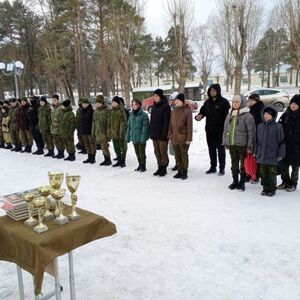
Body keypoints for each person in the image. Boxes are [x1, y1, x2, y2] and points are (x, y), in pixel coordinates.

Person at [195, 83, 230, 175]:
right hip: (209, 130)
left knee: (221, 150)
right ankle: (213, 167)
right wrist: (199, 116)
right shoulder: (207, 102)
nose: (212, 92)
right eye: (211, 90)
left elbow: (228, 117)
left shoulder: (224, 102)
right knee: (211, 149)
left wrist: (227, 130)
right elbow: (202, 112)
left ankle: (221, 168)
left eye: (214, 90)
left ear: (218, 91)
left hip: (220, 131)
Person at [223, 94, 256, 191]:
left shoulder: (247, 116)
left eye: (237, 102)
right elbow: (225, 129)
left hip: (243, 145)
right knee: (234, 164)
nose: (235, 104)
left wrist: (250, 146)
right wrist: (225, 141)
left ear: (242, 103)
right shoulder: (229, 114)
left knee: (243, 164)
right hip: (232, 144)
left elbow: (251, 132)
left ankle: (242, 182)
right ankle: (235, 181)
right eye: (233, 102)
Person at [255, 106, 285, 197]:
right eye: (265, 113)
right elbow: (256, 141)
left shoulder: (278, 127)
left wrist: (280, 154)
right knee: (263, 173)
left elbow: (282, 142)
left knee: (272, 174)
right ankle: (265, 187)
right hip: (262, 155)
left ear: (273, 115)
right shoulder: (260, 126)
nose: (266, 115)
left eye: (268, 114)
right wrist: (256, 151)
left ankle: (272, 188)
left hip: (273, 155)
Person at [278, 95, 300, 192]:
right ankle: (285, 182)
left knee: (295, 165)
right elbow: (279, 127)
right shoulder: (285, 115)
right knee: (283, 164)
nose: (293, 106)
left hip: (297, 146)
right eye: (291, 103)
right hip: (285, 145)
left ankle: (293, 183)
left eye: (295, 104)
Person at [168, 93, 193, 180]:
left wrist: (189, 139)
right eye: (175, 100)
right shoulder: (173, 111)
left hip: (183, 138)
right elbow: (170, 125)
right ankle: (179, 171)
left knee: (183, 155)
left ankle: (184, 172)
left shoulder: (187, 111)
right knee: (177, 156)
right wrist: (170, 136)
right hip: (174, 137)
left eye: (178, 100)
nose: (176, 102)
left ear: (182, 101)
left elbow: (190, 127)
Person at [149, 88, 171, 177]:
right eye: (154, 96)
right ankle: (159, 166)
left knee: (163, 151)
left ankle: (164, 168)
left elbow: (167, 122)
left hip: (162, 134)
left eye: (156, 96)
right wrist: (150, 131)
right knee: (156, 151)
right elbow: (152, 120)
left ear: (161, 96)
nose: (155, 97)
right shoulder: (154, 106)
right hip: (155, 133)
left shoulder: (166, 107)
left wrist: (165, 134)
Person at [126, 99, 149, 172]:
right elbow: (129, 127)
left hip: (141, 138)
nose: (133, 106)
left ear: (139, 105)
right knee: (137, 152)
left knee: (142, 152)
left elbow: (145, 128)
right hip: (134, 137)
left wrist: (143, 138)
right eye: (132, 105)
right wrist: (127, 137)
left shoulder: (144, 115)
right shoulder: (131, 115)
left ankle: (143, 166)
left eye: (135, 104)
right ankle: (139, 165)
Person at [248, 93, 265, 182]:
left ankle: (257, 174)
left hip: (258, 135)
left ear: (256, 100)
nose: (250, 102)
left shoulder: (261, 108)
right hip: (253, 134)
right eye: (249, 100)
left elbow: (260, 121)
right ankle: (252, 173)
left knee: (257, 155)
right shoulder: (252, 108)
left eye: (252, 100)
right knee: (252, 155)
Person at [92, 95, 111, 166]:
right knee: (102, 147)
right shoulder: (95, 112)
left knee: (104, 146)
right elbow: (93, 123)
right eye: (96, 103)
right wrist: (93, 133)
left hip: (104, 132)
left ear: (102, 103)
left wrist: (108, 134)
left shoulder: (106, 111)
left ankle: (108, 160)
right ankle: (105, 159)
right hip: (98, 132)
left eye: (99, 103)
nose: (97, 104)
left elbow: (109, 124)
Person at [110, 96, 127, 167]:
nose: (113, 103)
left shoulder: (121, 111)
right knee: (116, 147)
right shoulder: (112, 111)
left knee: (122, 147)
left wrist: (121, 133)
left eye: (114, 102)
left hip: (120, 133)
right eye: (112, 102)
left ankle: (123, 161)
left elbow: (123, 122)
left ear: (117, 103)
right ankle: (119, 160)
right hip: (114, 133)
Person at [79, 98, 96, 164]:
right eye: (83, 104)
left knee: (92, 144)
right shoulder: (81, 110)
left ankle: (93, 157)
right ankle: (89, 157)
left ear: (88, 104)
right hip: (83, 130)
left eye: (85, 104)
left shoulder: (91, 110)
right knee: (86, 144)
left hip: (90, 130)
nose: (84, 105)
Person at [51, 94, 65, 159]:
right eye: (53, 100)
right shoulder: (53, 108)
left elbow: (63, 118)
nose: (53, 101)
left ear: (58, 100)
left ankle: (62, 153)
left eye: (55, 100)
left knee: (60, 141)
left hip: (59, 127)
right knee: (56, 141)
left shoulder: (61, 107)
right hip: (54, 128)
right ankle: (59, 152)